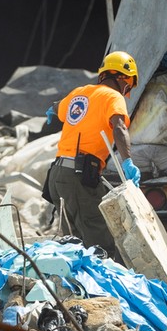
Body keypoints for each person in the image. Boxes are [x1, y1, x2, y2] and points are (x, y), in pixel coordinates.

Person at [44, 51, 142, 261]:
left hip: (58, 175)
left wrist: (52, 110)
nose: (127, 91)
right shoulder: (113, 96)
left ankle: (76, 289)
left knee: (74, 242)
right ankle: (102, 292)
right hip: (79, 176)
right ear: (124, 78)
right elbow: (119, 127)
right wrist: (127, 161)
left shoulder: (79, 93)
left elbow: (57, 108)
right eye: (129, 85)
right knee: (101, 245)